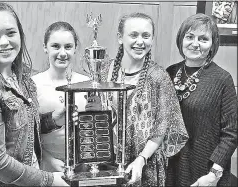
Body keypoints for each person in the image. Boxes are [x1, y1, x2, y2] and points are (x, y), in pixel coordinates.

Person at [0, 2, 68, 186]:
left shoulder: (22, 76)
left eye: (10, 33)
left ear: (20, 35)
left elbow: (19, 132)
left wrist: (53, 120)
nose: (4, 42)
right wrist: (49, 180)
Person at [97, 12, 189, 186]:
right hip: (106, 162)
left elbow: (162, 127)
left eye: (146, 36)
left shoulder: (159, 76)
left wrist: (141, 158)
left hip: (145, 165)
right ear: (120, 37)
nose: (140, 41)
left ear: (152, 39)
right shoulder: (103, 71)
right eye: (133, 35)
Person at [166, 13, 237, 186]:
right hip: (172, 167)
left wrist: (214, 174)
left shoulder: (222, 79)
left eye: (203, 39)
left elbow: (231, 133)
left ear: (212, 45)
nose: (195, 43)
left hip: (205, 172)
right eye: (189, 37)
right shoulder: (170, 72)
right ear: (181, 40)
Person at [31, 21, 90, 172]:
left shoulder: (89, 83)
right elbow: (26, 133)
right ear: (45, 47)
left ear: (75, 48)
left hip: (83, 167)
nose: (62, 53)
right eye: (56, 46)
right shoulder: (33, 85)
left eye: (68, 47)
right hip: (45, 167)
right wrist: (46, 159)